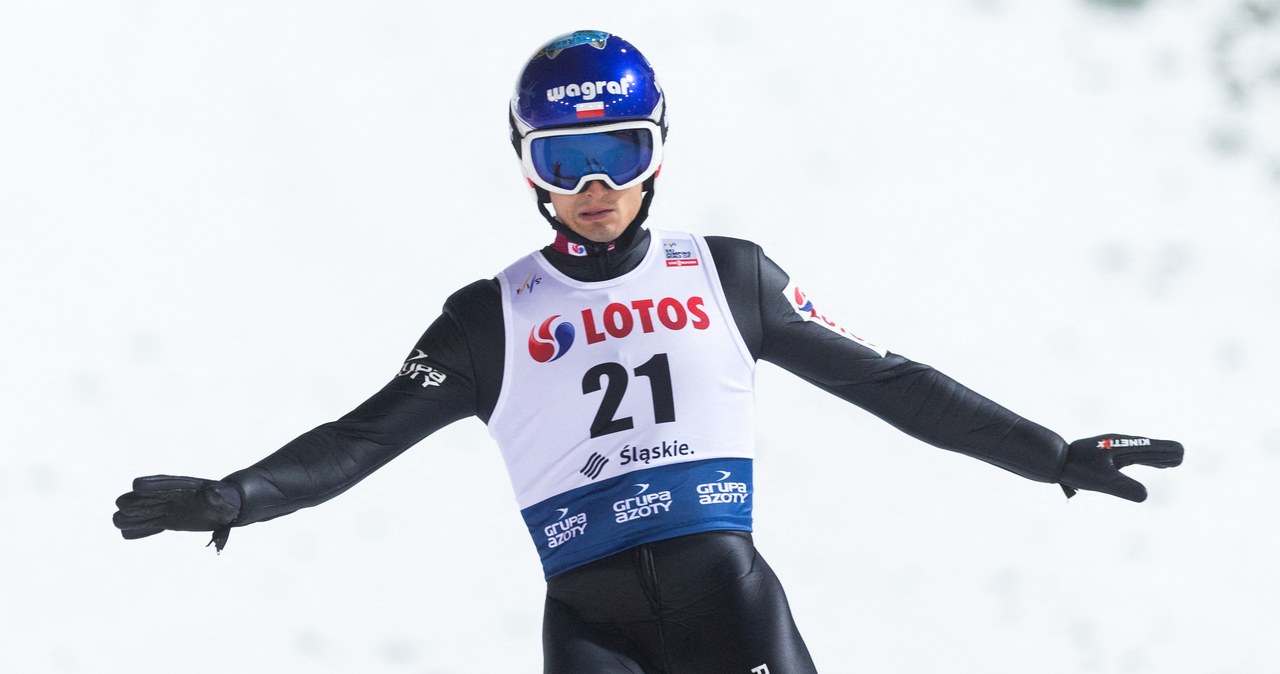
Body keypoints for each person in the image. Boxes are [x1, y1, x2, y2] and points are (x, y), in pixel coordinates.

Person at [113, 30, 1184, 674]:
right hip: (591, 634)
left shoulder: (730, 274)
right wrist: (237, 496)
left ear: (657, 150)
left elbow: (894, 384)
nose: (592, 185)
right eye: (563, 157)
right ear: (526, 168)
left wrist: (1049, 453)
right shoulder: (486, 318)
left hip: (731, 604)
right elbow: (361, 436)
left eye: (617, 150)